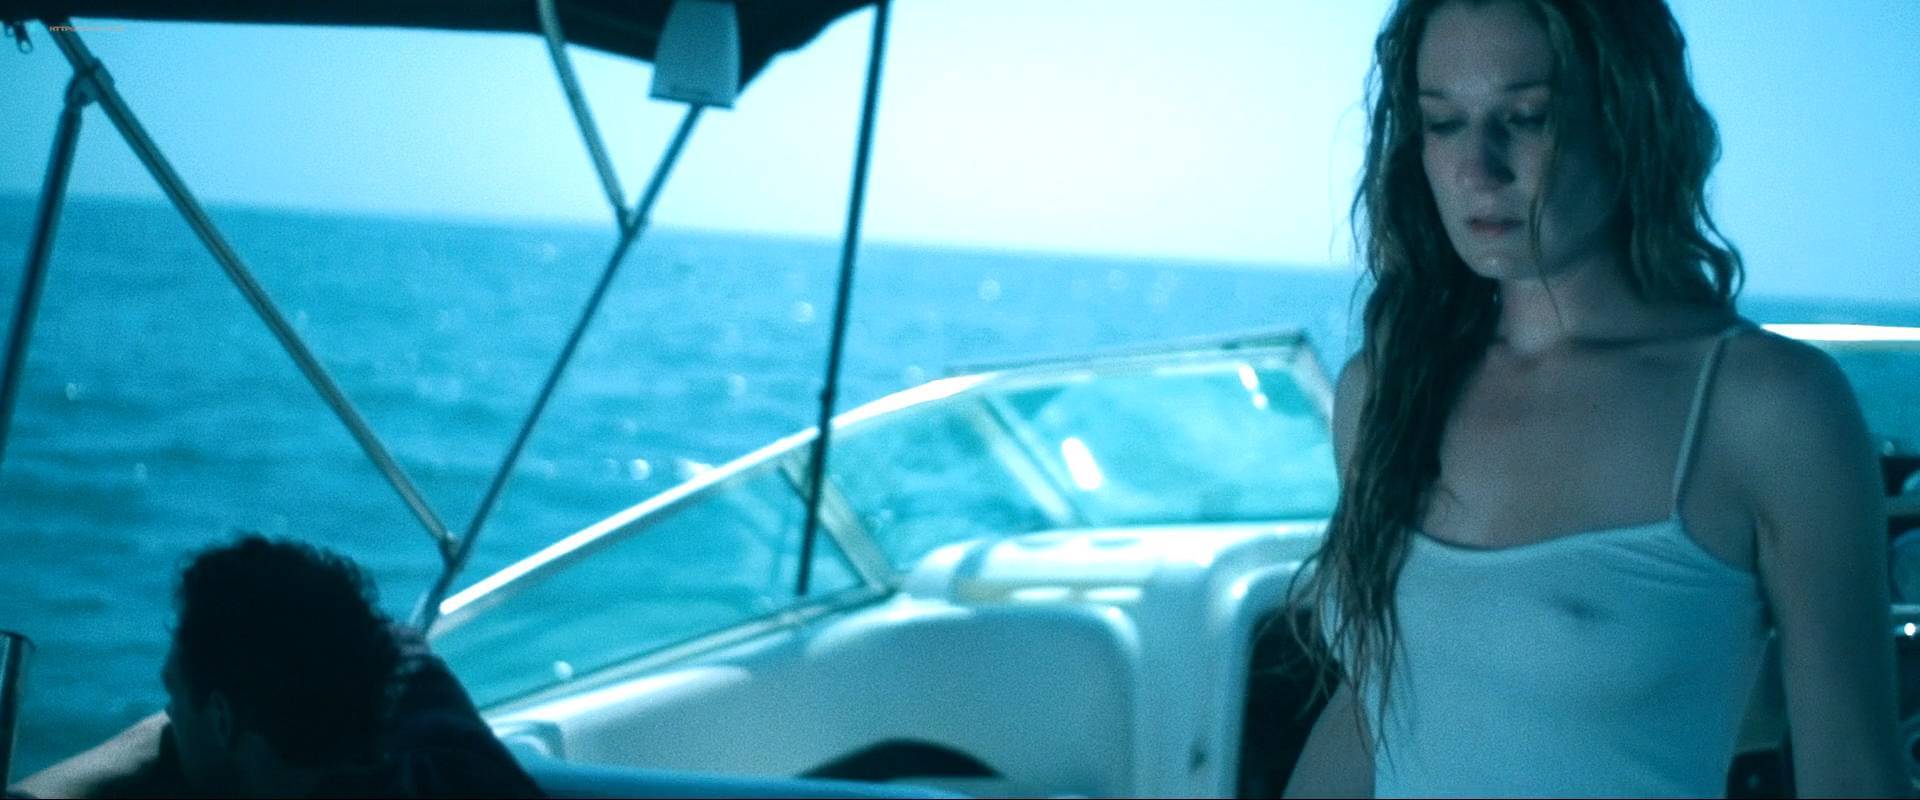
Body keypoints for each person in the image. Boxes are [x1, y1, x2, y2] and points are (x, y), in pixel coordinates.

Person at [1282, 0, 1907, 796]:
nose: (1478, 167)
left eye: (1526, 118)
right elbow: (1375, 715)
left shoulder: (1767, 410)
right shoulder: (1387, 391)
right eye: (1444, 123)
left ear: (1628, 118)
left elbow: (1852, 773)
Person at [11, 535, 542, 798]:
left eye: (174, 698)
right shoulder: (459, 773)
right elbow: (388, 641)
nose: (167, 717)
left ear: (223, 721)